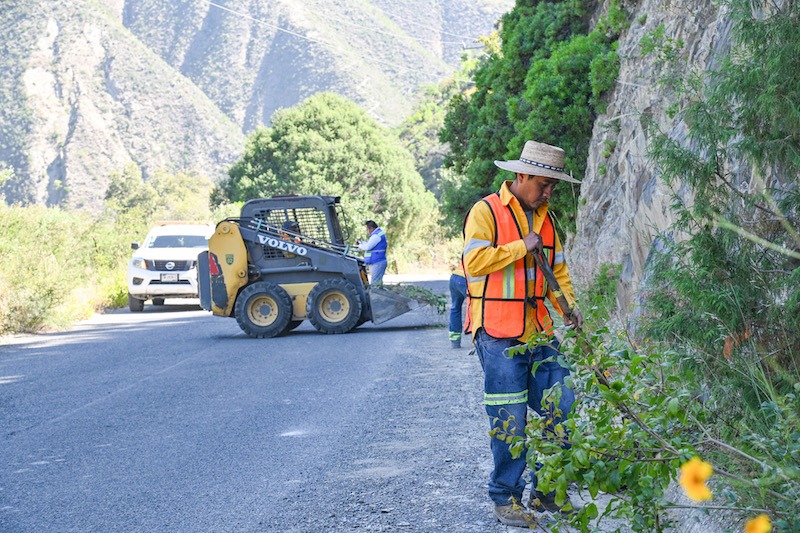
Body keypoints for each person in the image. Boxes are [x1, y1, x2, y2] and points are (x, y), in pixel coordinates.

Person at [462, 140, 584, 527]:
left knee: (561, 401)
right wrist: (520, 246)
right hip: (497, 334)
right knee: (509, 418)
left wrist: (569, 305)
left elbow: (557, 271)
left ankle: (548, 492)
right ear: (521, 176)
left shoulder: (546, 220)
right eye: (544, 184)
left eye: (553, 186)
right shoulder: (486, 212)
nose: (548, 192)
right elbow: (474, 263)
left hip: (538, 332)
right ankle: (505, 498)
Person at [357, 220, 388, 285]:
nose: (367, 231)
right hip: (377, 262)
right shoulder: (378, 234)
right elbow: (371, 245)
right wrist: (362, 243)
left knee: (375, 284)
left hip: (377, 262)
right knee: (377, 283)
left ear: (371, 228)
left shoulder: (376, 236)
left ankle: (376, 295)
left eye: (367, 229)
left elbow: (368, 247)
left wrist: (359, 245)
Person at [448, 264, 467, 348]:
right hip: (465, 279)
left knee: (455, 308)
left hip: (455, 276)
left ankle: (455, 341)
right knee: (476, 308)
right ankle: (478, 341)